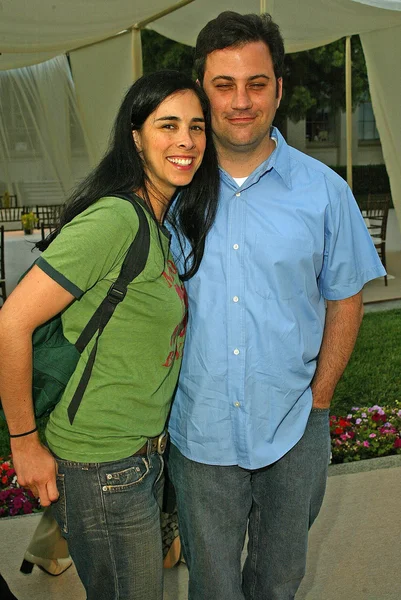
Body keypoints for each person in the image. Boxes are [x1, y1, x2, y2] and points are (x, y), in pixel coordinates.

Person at [167, 11, 387, 600]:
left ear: (278, 88)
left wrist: (320, 399)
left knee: (279, 581)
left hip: (295, 427)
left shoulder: (324, 190)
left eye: (256, 83)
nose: (242, 101)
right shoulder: (169, 193)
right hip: (199, 429)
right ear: (202, 92)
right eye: (224, 85)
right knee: (211, 586)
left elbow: (345, 297)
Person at [0, 70, 219, 600]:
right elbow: (12, 321)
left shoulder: (158, 220)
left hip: (137, 458)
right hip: (101, 466)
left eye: (196, 126)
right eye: (168, 125)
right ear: (135, 135)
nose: (186, 141)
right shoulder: (117, 219)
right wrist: (25, 442)